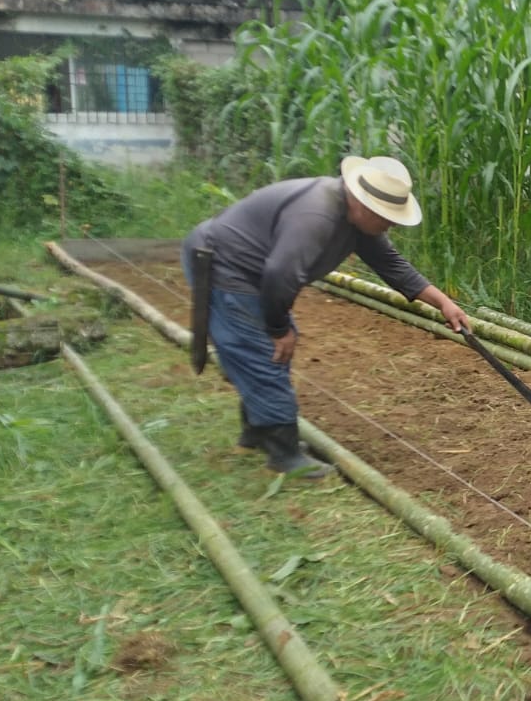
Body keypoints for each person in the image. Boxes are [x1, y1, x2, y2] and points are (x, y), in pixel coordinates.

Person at [183, 155, 470, 477]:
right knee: (266, 353)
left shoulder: (355, 217)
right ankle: (284, 456)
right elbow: (281, 273)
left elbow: (391, 264)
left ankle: (256, 435)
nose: (389, 226)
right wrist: (278, 328)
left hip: (249, 271)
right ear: (363, 204)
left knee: (265, 354)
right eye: (386, 218)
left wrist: (442, 302)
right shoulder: (317, 215)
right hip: (227, 266)